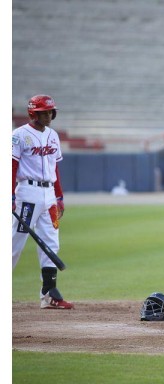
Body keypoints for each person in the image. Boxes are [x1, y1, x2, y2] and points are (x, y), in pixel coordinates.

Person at [12, 94, 74, 309]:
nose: (48, 115)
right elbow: (11, 167)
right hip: (27, 194)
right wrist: (10, 195)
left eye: (50, 112)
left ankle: (49, 294)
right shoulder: (19, 136)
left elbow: (54, 167)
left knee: (51, 242)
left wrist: (59, 197)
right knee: (14, 243)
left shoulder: (53, 136)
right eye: (44, 112)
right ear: (33, 113)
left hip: (49, 196)